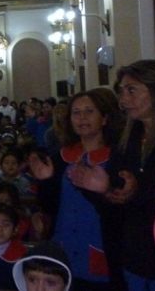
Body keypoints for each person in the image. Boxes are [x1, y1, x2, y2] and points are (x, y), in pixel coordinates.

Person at [68, 60, 155, 290]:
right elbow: (112, 207)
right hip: (131, 254)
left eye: (131, 90)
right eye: (121, 92)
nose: (123, 100)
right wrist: (101, 189)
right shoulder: (126, 140)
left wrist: (131, 194)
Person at [27, 88, 123, 289]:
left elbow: (124, 209)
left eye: (89, 111)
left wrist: (103, 190)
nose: (82, 118)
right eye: (76, 113)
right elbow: (50, 207)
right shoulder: (60, 157)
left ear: (104, 118)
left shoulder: (119, 158)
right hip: (64, 247)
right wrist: (44, 181)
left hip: (103, 247)